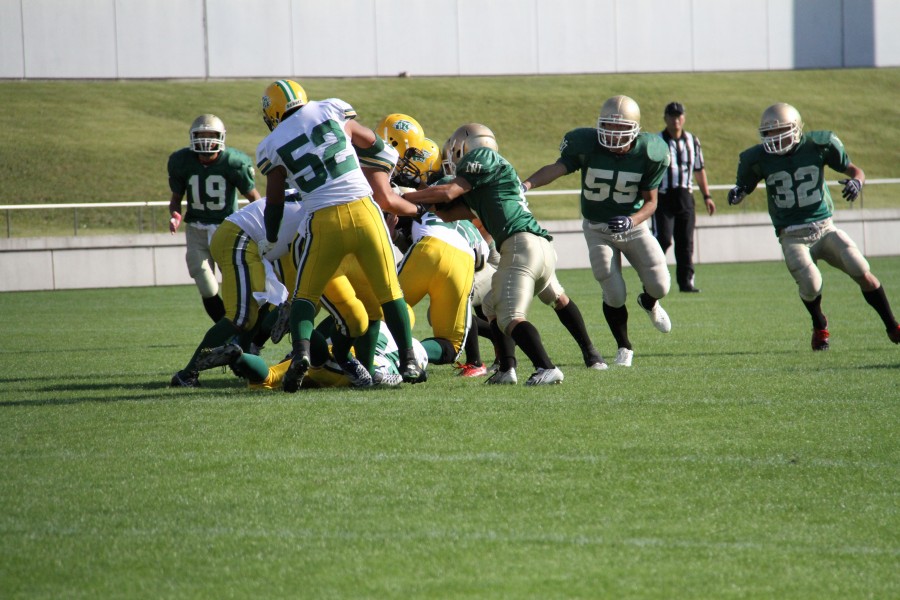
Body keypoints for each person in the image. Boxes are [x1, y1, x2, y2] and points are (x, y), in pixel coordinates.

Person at [255, 79, 425, 393]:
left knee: (304, 296)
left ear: (272, 112)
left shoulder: (271, 144)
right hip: (364, 212)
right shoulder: (330, 108)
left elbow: (274, 202)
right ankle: (408, 359)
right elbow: (371, 142)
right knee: (389, 291)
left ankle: (302, 354)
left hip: (324, 220)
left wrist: (271, 237)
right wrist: (384, 156)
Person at [404, 123, 605, 386]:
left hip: (521, 244)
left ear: (465, 148)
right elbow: (447, 212)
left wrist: (405, 195)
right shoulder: (486, 187)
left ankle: (546, 367)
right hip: (535, 246)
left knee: (511, 317)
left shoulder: (482, 156)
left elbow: (448, 192)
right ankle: (506, 369)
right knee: (490, 306)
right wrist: (418, 194)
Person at [728, 102, 900, 349]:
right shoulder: (757, 158)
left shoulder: (818, 145)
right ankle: (820, 324)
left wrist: (857, 182)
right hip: (792, 235)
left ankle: (893, 326)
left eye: (781, 130)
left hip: (824, 228)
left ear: (796, 128)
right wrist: (738, 192)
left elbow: (855, 170)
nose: (775, 138)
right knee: (811, 283)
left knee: (861, 267)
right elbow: (744, 185)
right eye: (769, 132)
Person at [521, 95, 672, 368]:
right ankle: (624, 346)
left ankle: (649, 303)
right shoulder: (586, 144)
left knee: (660, 284)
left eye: (620, 128)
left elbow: (651, 203)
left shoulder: (650, 151)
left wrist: (631, 220)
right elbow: (557, 168)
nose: (613, 134)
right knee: (613, 290)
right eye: (608, 127)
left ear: (635, 129)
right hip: (598, 228)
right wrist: (527, 184)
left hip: (634, 227)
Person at [169, 193, 304, 387]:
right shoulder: (320, 204)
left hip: (250, 240)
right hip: (240, 237)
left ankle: (242, 356)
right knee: (239, 317)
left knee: (262, 305)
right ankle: (186, 374)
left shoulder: (313, 197)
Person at [167, 114, 261, 322]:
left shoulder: (234, 162)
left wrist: (260, 225)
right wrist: (175, 214)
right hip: (196, 230)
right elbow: (176, 199)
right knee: (206, 285)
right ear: (193, 137)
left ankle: (247, 325)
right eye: (202, 135)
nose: (206, 141)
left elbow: (254, 198)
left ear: (221, 137)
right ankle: (226, 329)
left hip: (227, 229)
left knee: (235, 285)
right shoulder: (181, 161)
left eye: (211, 135)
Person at [195, 321, 429, 389]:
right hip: (354, 370)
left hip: (324, 353)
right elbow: (411, 373)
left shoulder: (381, 325)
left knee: (269, 377)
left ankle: (239, 356)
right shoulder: (414, 347)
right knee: (323, 362)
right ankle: (295, 327)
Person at [654, 101, 715, 293]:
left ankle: (686, 282)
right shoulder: (657, 141)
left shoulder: (692, 141)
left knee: (685, 242)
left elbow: (699, 169)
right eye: (672, 116)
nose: (676, 119)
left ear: (684, 118)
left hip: (685, 197)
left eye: (679, 115)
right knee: (662, 239)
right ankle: (652, 277)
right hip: (663, 197)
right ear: (665, 118)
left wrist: (707, 196)